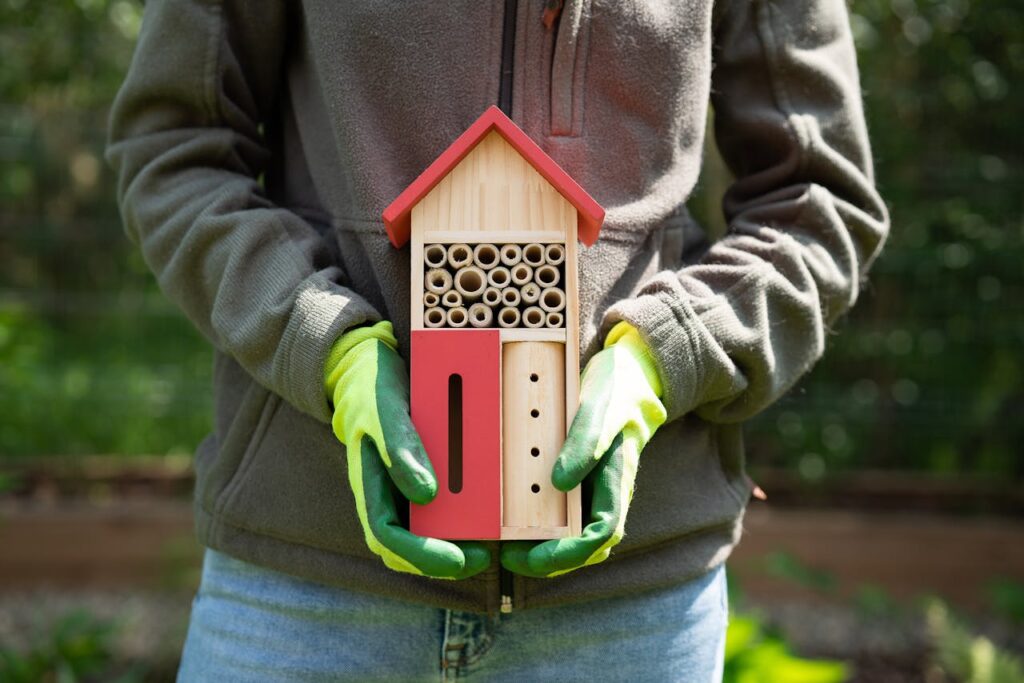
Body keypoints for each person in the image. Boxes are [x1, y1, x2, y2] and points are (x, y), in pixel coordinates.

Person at [107, 1, 888, 680]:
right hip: (304, 595)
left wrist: (666, 356)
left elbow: (816, 201)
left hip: (629, 614)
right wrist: (326, 344)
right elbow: (178, 151)